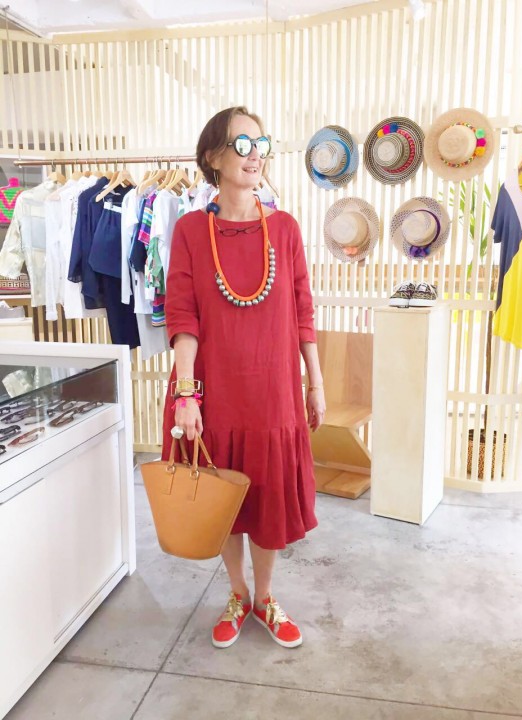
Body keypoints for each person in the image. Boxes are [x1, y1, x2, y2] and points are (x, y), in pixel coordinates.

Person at [163, 106, 325, 649]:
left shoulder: (285, 228)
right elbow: (182, 316)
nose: (255, 155)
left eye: (261, 144)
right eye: (242, 145)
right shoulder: (190, 230)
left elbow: (303, 311)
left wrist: (315, 382)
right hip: (214, 388)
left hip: (274, 391)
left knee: (269, 496)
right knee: (223, 493)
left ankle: (265, 597)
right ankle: (237, 593)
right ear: (213, 157)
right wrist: (186, 393)